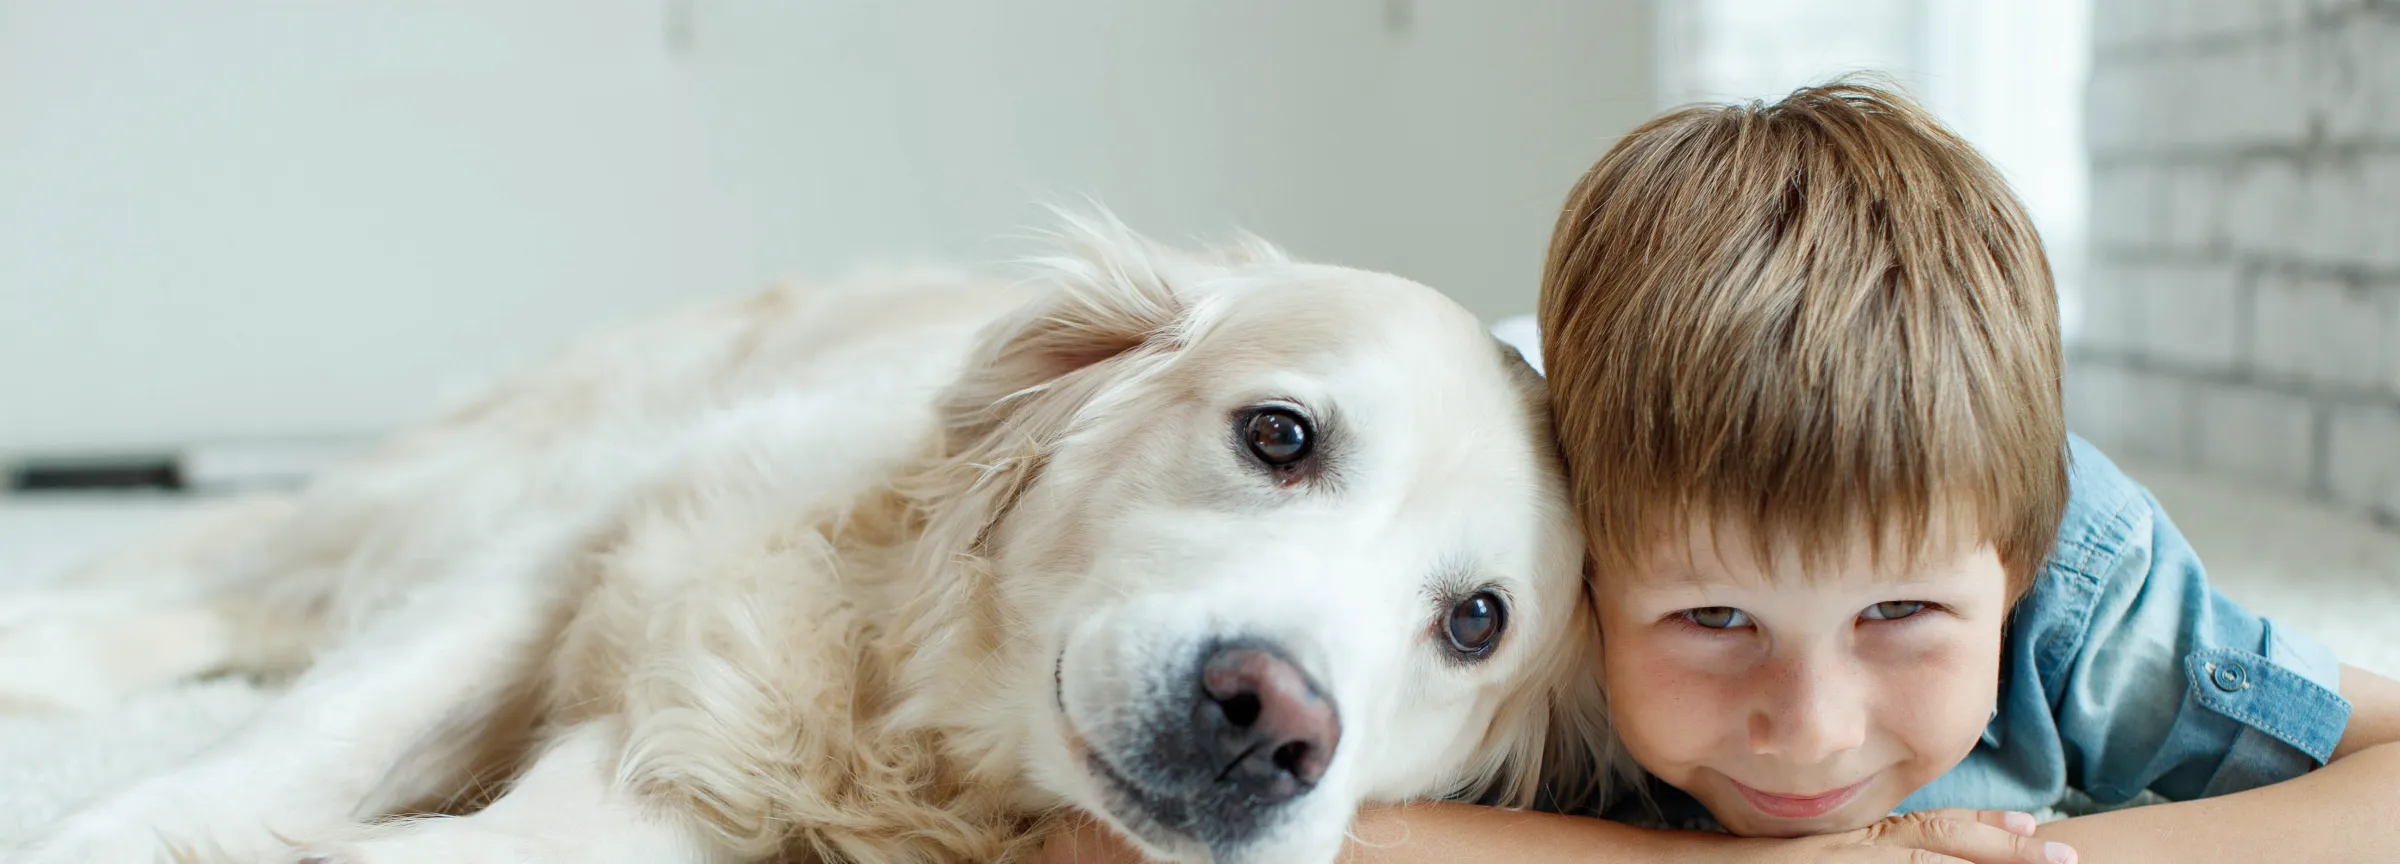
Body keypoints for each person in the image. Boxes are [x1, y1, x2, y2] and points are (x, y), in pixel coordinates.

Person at [1042, 81, 2400, 864]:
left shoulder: (2079, 575)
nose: (1807, 729)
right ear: (1588, 591)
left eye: (1900, 618)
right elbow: (1124, 841)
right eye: (1712, 622)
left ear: (2013, 568)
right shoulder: (1519, 601)